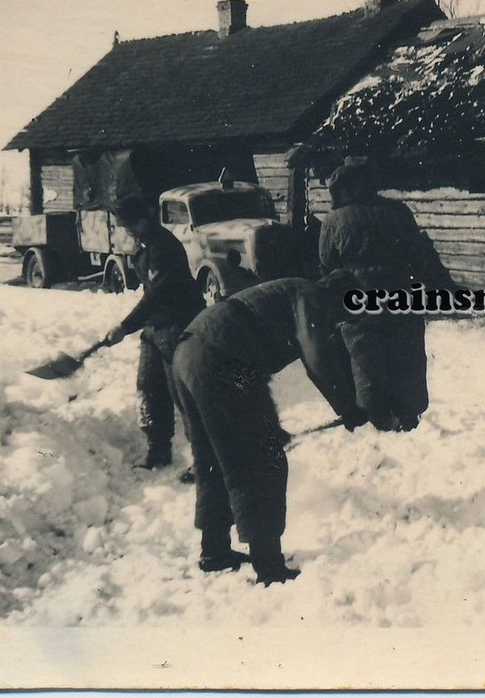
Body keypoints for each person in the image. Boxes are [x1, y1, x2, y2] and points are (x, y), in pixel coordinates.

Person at [171, 272, 367, 585]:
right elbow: (319, 361)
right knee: (262, 461)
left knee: (214, 458)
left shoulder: (287, 289)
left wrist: (271, 424)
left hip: (187, 355)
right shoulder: (312, 296)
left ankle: (215, 550)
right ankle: (269, 565)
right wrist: (350, 410)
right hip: (223, 358)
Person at [316, 159, 456, 432]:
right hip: (402, 296)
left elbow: (327, 262)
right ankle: (409, 415)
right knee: (407, 356)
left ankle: (377, 419)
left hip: (359, 302)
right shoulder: (399, 211)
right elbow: (419, 254)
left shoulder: (332, 221)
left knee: (366, 359)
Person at [101, 195, 205, 470]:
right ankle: (158, 452)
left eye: (130, 224)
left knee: (184, 394)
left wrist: (125, 326)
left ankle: (204, 460)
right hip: (154, 327)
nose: (128, 230)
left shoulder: (164, 247)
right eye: (124, 226)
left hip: (178, 325)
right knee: (149, 388)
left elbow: (157, 294)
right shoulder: (145, 246)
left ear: (147, 216)